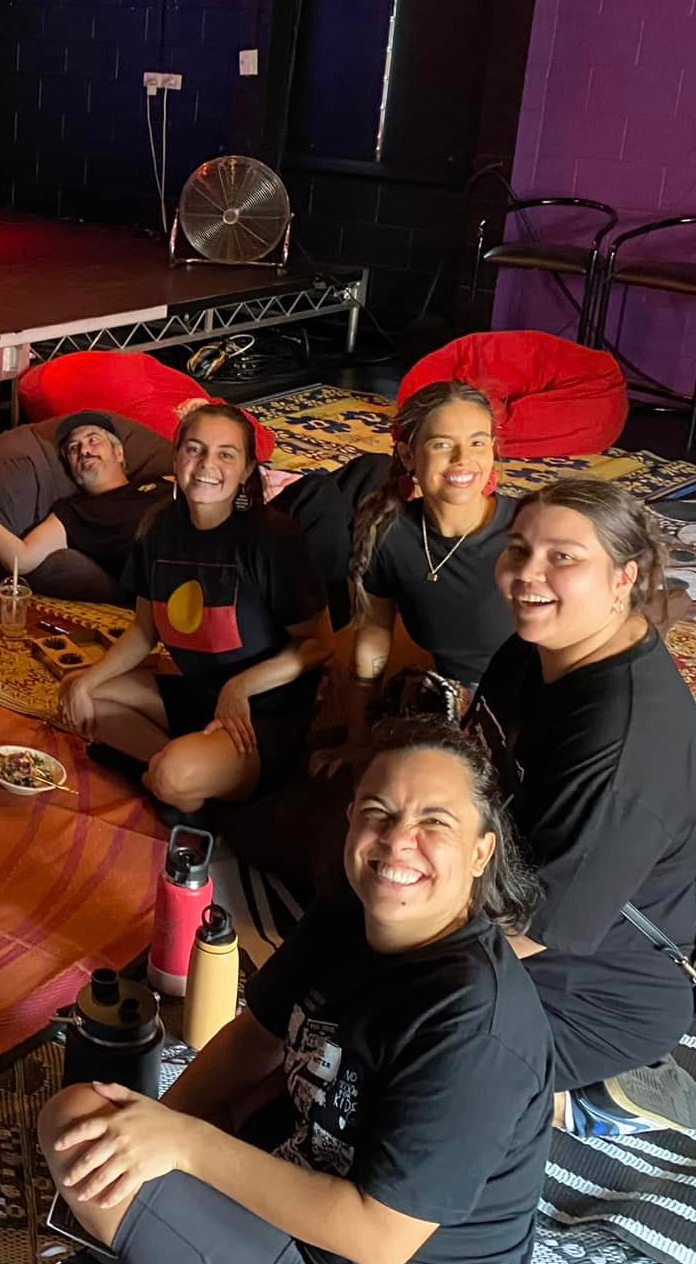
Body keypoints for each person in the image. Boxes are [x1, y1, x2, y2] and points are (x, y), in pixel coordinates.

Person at [0, 718, 553, 1264]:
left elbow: (381, 1237)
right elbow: (253, 1037)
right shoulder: (347, 913)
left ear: (481, 853)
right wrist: (148, 1137)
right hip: (297, 1196)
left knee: (79, 1121)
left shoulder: (474, 1024)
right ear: (350, 821)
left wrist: (184, 1144)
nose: (398, 841)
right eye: (379, 812)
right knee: (91, 1128)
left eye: (434, 822)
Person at [468, 478, 696, 1136]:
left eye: (563, 557)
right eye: (518, 550)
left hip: (595, 992)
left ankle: (593, 1102)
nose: (527, 575)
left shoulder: (622, 745)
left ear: (623, 578)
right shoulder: (534, 648)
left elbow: (532, 932)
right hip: (516, 892)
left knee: (388, 1051)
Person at [59, 403, 332, 813]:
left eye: (226, 454)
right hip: (199, 695)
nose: (207, 464)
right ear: (177, 456)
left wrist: (241, 686)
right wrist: (85, 682)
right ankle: (184, 765)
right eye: (195, 449)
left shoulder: (270, 537)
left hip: (265, 711)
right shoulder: (158, 526)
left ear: (245, 470)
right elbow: (143, 631)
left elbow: (319, 644)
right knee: (77, 698)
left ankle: (184, 777)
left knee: (172, 778)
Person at [346, 381, 515, 714]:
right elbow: (374, 633)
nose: (463, 460)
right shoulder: (389, 531)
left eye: (477, 443)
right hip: (451, 698)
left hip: (531, 700)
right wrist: (356, 740)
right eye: (442, 444)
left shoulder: (527, 531)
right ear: (409, 455)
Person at [0, 412, 169, 587]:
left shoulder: (158, 481)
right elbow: (20, 560)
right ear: (71, 468)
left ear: (119, 452)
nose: (85, 450)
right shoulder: (76, 512)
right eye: (74, 448)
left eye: (93, 440)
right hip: (170, 568)